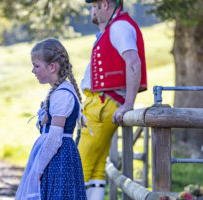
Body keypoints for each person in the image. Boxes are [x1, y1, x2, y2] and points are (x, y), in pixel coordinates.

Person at [78, 0, 147, 199]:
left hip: (102, 103)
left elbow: (133, 62)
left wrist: (128, 104)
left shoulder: (118, 27)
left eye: (94, 5)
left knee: (81, 165)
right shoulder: (117, 26)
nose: (92, 10)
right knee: (97, 168)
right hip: (104, 103)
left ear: (105, 4)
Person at [15, 38, 87, 200]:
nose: (33, 71)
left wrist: (39, 169)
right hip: (55, 156)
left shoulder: (62, 95)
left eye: (36, 66)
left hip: (59, 158)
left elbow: (55, 137)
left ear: (52, 67)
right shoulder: (58, 91)